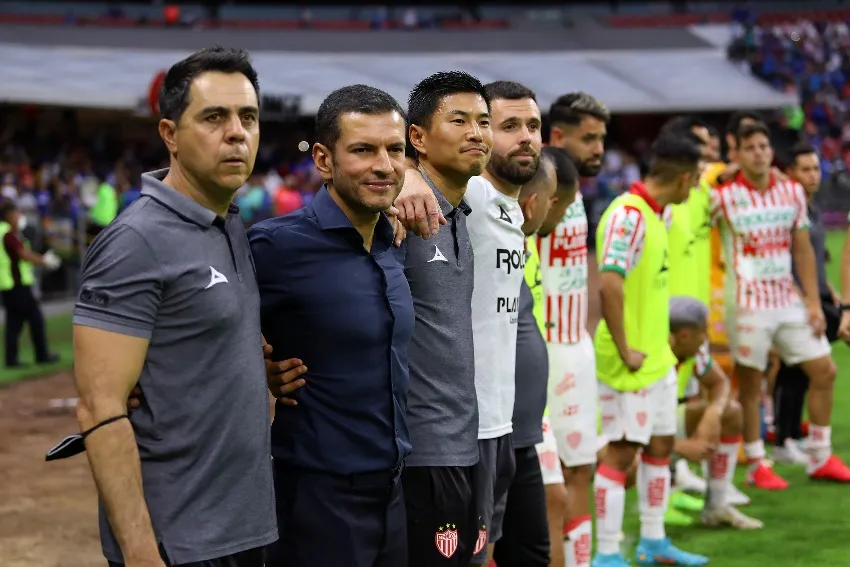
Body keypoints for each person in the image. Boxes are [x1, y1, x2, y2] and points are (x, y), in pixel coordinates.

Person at [66, 47, 286, 567]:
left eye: (248, 117)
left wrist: (254, 375)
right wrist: (141, 553)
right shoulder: (136, 241)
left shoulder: (229, 224)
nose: (237, 132)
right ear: (170, 135)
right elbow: (100, 408)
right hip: (179, 542)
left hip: (245, 526)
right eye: (214, 117)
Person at [249, 85, 414, 567]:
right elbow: (196, 321)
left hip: (393, 491)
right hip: (317, 500)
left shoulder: (392, 239)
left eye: (395, 150)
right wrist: (253, 369)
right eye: (364, 150)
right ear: (324, 159)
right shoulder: (276, 246)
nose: (384, 164)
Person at [398, 79, 540, 566]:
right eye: (509, 125)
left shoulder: (496, 207)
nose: (477, 133)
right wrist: (407, 174)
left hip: (497, 422)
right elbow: (367, 158)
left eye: (534, 127)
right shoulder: (455, 192)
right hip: (446, 431)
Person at [713, 122, 850, 487]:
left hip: (788, 300)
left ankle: (820, 456)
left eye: (764, 146)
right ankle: (758, 462)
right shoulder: (722, 197)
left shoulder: (791, 192)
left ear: (772, 152)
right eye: (751, 147)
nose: (759, 152)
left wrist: (812, 302)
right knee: (752, 385)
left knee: (825, 371)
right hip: (746, 303)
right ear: (738, 154)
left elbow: (803, 249)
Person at [592, 135, 708, 567]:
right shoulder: (628, 216)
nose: (694, 188)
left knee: (660, 445)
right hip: (629, 361)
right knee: (623, 453)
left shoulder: (658, 215)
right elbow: (609, 281)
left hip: (657, 357)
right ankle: (606, 552)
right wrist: (626, 348)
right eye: (694, 180)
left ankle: (653, 542)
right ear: (683, 177)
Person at [401, 71, 492, 567]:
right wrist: (405, 174)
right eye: (458, 120)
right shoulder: (400, 211)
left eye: (483, 121)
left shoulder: (461, 212)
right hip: (421, 450)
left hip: (466, 442)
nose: (476, 132)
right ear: (417, 137)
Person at [657, 116, 751, 508]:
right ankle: (666, 495)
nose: (707, 156)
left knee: (691, 398)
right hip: (667, 322)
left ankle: (682, 482)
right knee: (669, 405)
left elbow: (725, 173)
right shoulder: (666, 202)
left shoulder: (702, 192)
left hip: (692, 321)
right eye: (699, 147)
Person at [540, 91, 609, 567]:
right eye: (590, 138)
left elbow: (582, 265)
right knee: (550, 488)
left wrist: (586, 330)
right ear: (558, 136)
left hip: (575, 348)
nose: (599, 148)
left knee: (583, 466)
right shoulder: (533, 188)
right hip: (541, 352)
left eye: (602, 138)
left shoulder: (579, 193)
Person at [492, 153, 558, 567]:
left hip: (522, 433)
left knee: (532, 552)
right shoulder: (476, 223)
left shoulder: (517, 240)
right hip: (489, 434)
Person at [666, 296, 763, 530]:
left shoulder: (691, 350)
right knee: (628, 463)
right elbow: (630, 428)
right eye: (703, 331)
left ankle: (716, 507)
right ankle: (640, 531)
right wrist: (679, 447)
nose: (707, 338)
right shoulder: (650, 359)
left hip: (658, 427)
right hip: (618, 440)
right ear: (684, 335)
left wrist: (712, 413)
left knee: (730, 412)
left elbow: (720, 384)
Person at [772, 143, 841, 465]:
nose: (813, 176)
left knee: (799, 370)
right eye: (806, 169)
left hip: (816, 295)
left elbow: (815, 259)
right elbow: (786, 260)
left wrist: (830, 290)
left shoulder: (812, 208)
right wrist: (805, 299)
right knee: (801, 369)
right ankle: (785, 436)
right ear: (790, 173)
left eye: (816, 169)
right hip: (794, 299)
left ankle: (788, 434)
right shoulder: (786, 211)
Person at [0, 199, 61, 368]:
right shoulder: (8, 234)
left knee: (14, 324)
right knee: (35, 318)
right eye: (17, 213)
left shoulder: (6, 233)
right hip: (16, 284)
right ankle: (41, 355)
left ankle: (11, 360)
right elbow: (23, 254)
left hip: (8, 285)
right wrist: (44, 261)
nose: (19, 216)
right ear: (9, 216)